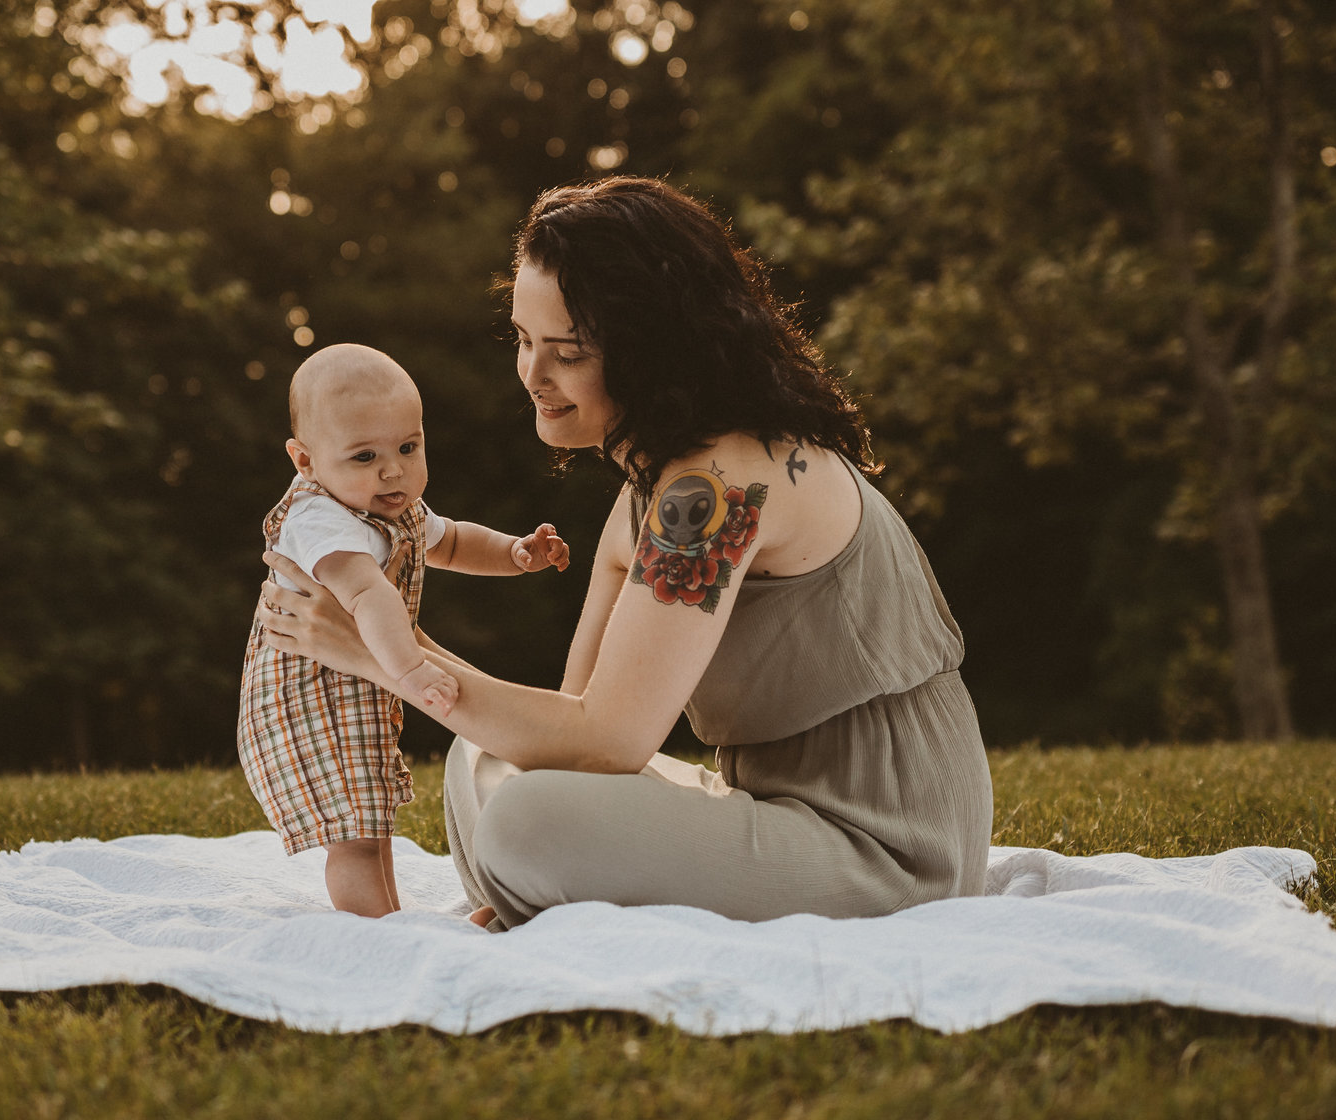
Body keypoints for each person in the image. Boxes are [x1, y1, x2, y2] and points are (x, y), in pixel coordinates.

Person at [256, 178, 992, 930]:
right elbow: (569, 730)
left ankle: (536, 893)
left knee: (523, 822)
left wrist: (386, 654)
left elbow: (610, 742)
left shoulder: (717, 486)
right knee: (483, 764)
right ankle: (537, 896)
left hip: (889, 852)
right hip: (771, 810)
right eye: (522, 339)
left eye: (565, 352)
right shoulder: (651, 489)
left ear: (647, 348)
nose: (533, 376)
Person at [237, 343, 571, 917]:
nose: (393, 470)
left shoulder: (393, 506)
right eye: (364, 456)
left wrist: (515, 553)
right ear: (305, 461)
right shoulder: (317, 518)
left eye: (408, 447)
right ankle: (372, 935)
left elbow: (456, 541)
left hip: (358, 681)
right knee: (356, 839)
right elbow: (369, 594)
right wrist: (414, 673)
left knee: (372, 829)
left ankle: (390, 921)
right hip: (307, 700)